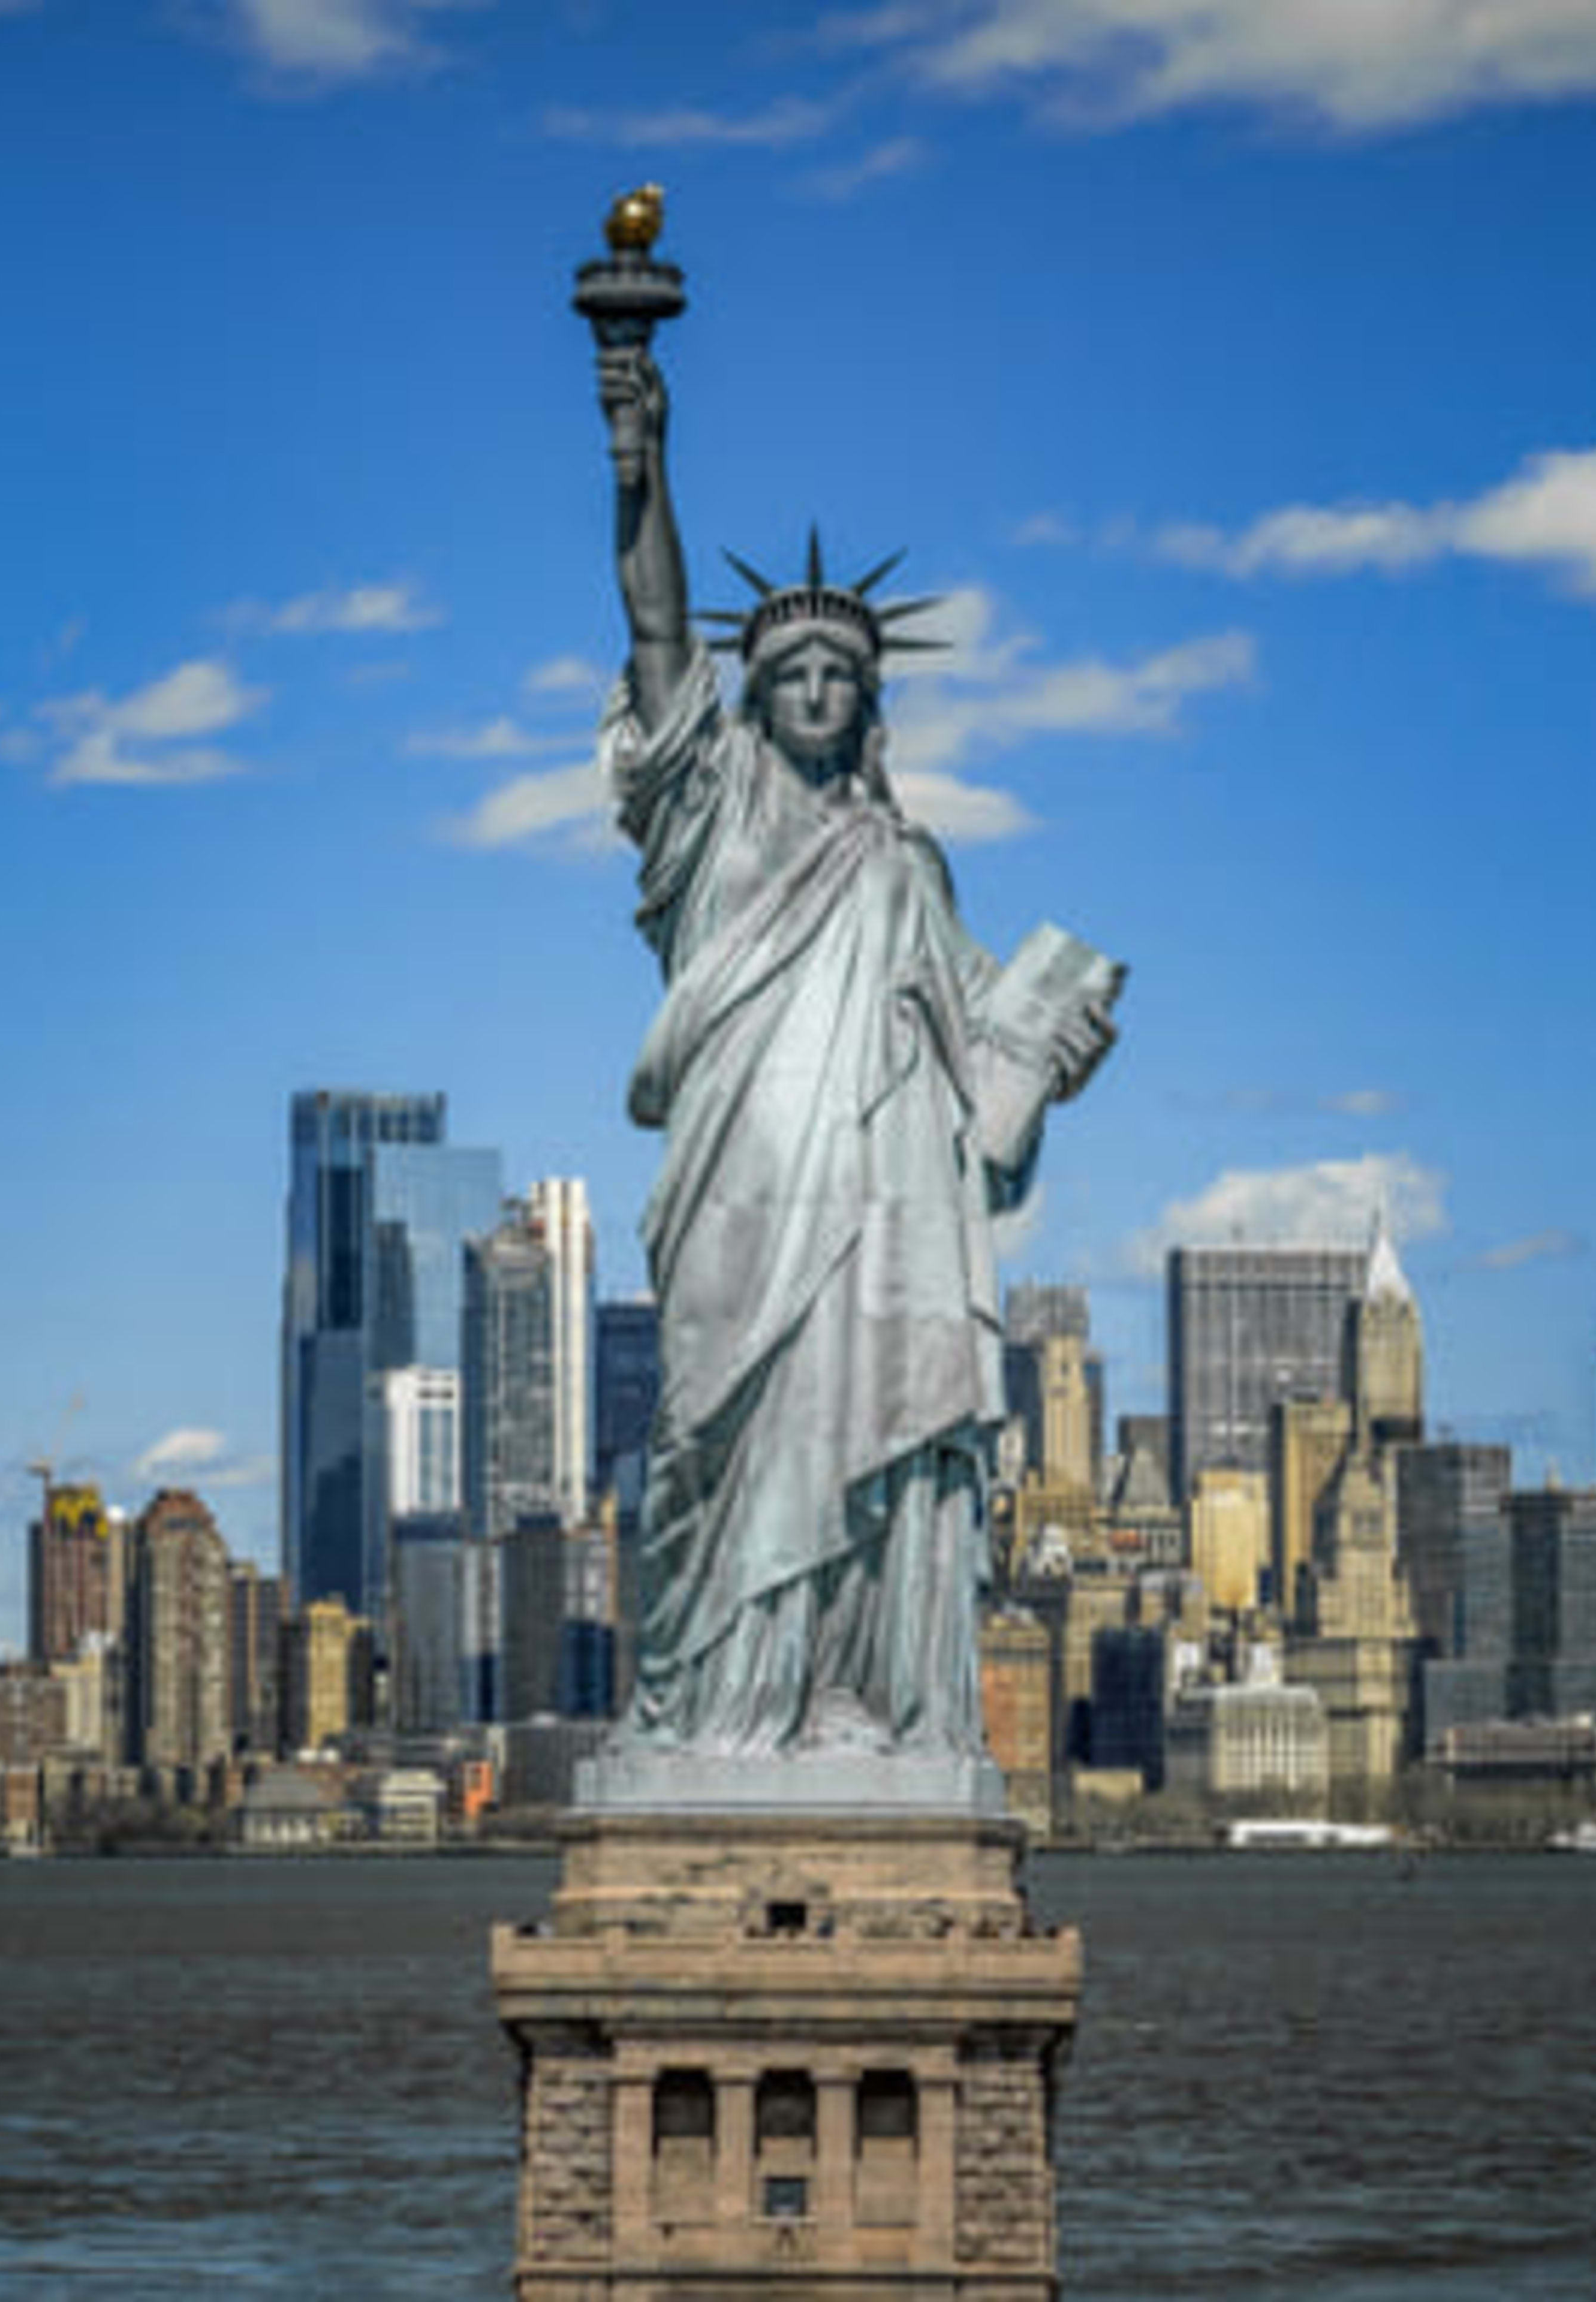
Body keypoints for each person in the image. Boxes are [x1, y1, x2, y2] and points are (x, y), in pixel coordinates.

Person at [597, 341, 1122, 1763]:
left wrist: (1050, 1050)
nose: (819, 689)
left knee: (862, 1445)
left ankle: (845, 1700)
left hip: (879, 1206)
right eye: (793, 671)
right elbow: (657, 644)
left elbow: (980, 1063)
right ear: (755, 696)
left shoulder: (907, 864)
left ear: (871, 705)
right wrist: (638, 464)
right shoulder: (707, 820)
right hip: (740, 1187)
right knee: (721, 1434)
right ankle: (716, 1707)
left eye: (843, 672)